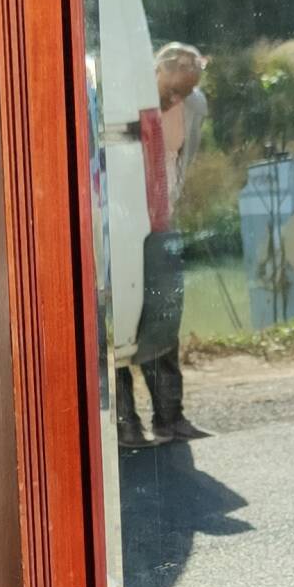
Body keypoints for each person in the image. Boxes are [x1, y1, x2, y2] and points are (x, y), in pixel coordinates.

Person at [118, 39, 208, 447]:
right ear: (155, 72)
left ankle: (170, 419)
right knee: (119, 325)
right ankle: (126, 425)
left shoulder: (195, 106)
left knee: (165, 323)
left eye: (186, 91)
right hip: (124, 227)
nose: (178, 97)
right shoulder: (127, 101)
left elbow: (182, 161)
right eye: (172, 89)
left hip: (164, 224)